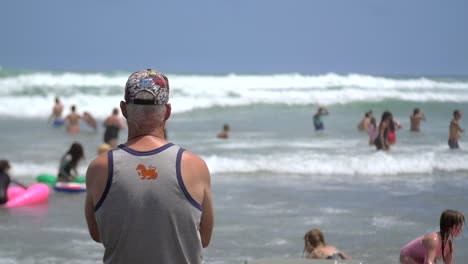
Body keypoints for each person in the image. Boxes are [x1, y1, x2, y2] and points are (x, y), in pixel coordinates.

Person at [85, 69, 214, 263]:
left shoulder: (100, 167)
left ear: (124, 109)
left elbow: (98, 235)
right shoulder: (194, 166)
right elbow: (204, 238)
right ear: (167, 111)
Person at [400, 209, 465, 264]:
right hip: (408, 256)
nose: (461, 228)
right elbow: (429, 262)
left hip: (423, 257)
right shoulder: (433, 240)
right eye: (459, 225)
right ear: (449, 226)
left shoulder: (450, 244)